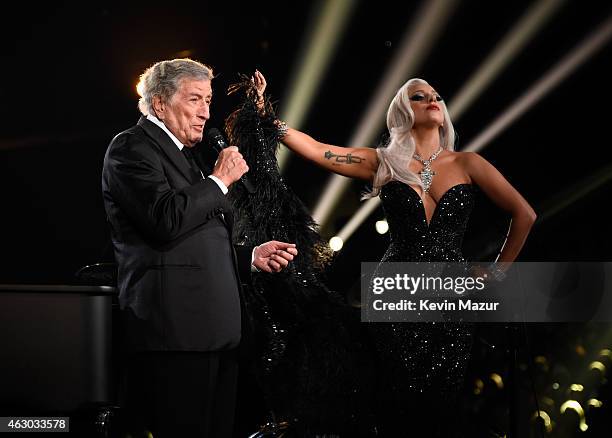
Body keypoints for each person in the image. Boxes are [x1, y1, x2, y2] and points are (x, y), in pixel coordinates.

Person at [251, 71, 537, 436]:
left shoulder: (469, 164)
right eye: (420, 96)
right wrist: (265, 115)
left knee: (440, 402)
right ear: (403, 110)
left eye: (436, 95)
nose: (433, 100)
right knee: (392, 399)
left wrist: (496, 273)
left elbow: (524, 215)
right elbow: (317, 149)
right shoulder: (382, 162)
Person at [101, 58, 298, 438]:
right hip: (174, 335)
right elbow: (164, 220)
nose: (206, 113)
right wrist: (220, 180)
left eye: (208, 101)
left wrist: (249, 257)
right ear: (159, 103)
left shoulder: (188, 158)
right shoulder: (131, 148)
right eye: (195, 100)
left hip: (217, 334)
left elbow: (195, 243)